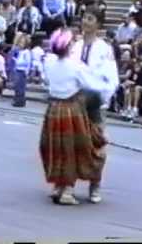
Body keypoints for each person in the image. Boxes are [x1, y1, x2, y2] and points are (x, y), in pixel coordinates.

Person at [41, 28, 112, 205]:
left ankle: (59, 185)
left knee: (55, 148)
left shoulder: (49, 62)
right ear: (68, 46)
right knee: (72, 148)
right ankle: (67, 190)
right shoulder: (75, 65)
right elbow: (92, 84)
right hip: (72, 108)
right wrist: (106, 89)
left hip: (53, 108)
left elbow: (47, 80)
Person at [12, 34, 32, 107]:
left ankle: (20, 101)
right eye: (19, 42)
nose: (20, 44)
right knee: (16, 85)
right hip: (17, 69)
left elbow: (28, 62)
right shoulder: (19, 51)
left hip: (22, 71)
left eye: (22, 43)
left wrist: (27, 71)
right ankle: (16, 99)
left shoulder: (27, 52)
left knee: (21, 86)